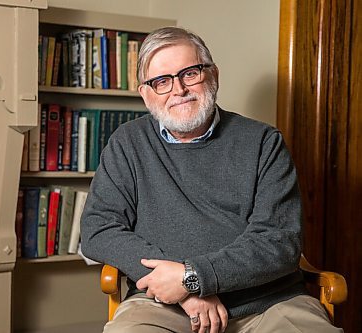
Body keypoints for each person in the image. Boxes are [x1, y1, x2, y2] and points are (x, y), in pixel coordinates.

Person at [80, 26, 342, 333]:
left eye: (189, 73)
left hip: (270, 303)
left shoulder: (263, 141)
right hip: (163, 305)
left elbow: (280, 241)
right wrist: (182, 292)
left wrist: (193, 278)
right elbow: (98, 229)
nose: (178, 90)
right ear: (145, 93)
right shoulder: (127, 143)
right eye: (161, 81)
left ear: (213, 75)